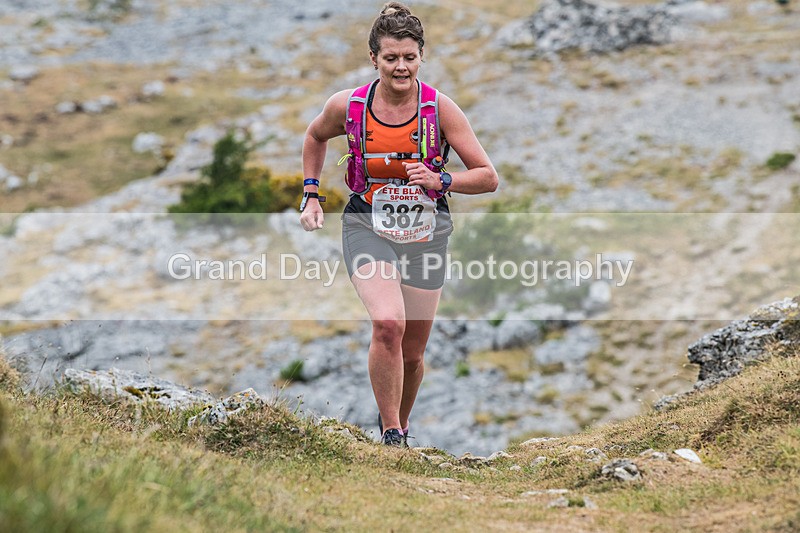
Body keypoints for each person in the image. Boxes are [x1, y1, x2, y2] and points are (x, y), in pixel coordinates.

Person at [300, 2, 497, 447]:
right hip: (367, 225)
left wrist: (442, 179)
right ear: (374, 59)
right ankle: (390, 433)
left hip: (427, 233)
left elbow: (488, 177)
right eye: (391, 58)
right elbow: (314, 136)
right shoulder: (348, 105)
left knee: (412, 354)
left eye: (409, 57)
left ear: (422, 56)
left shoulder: (440, 109)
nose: (401, 67)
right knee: (388, 323)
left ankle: (401, 428)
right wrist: (311, 194)